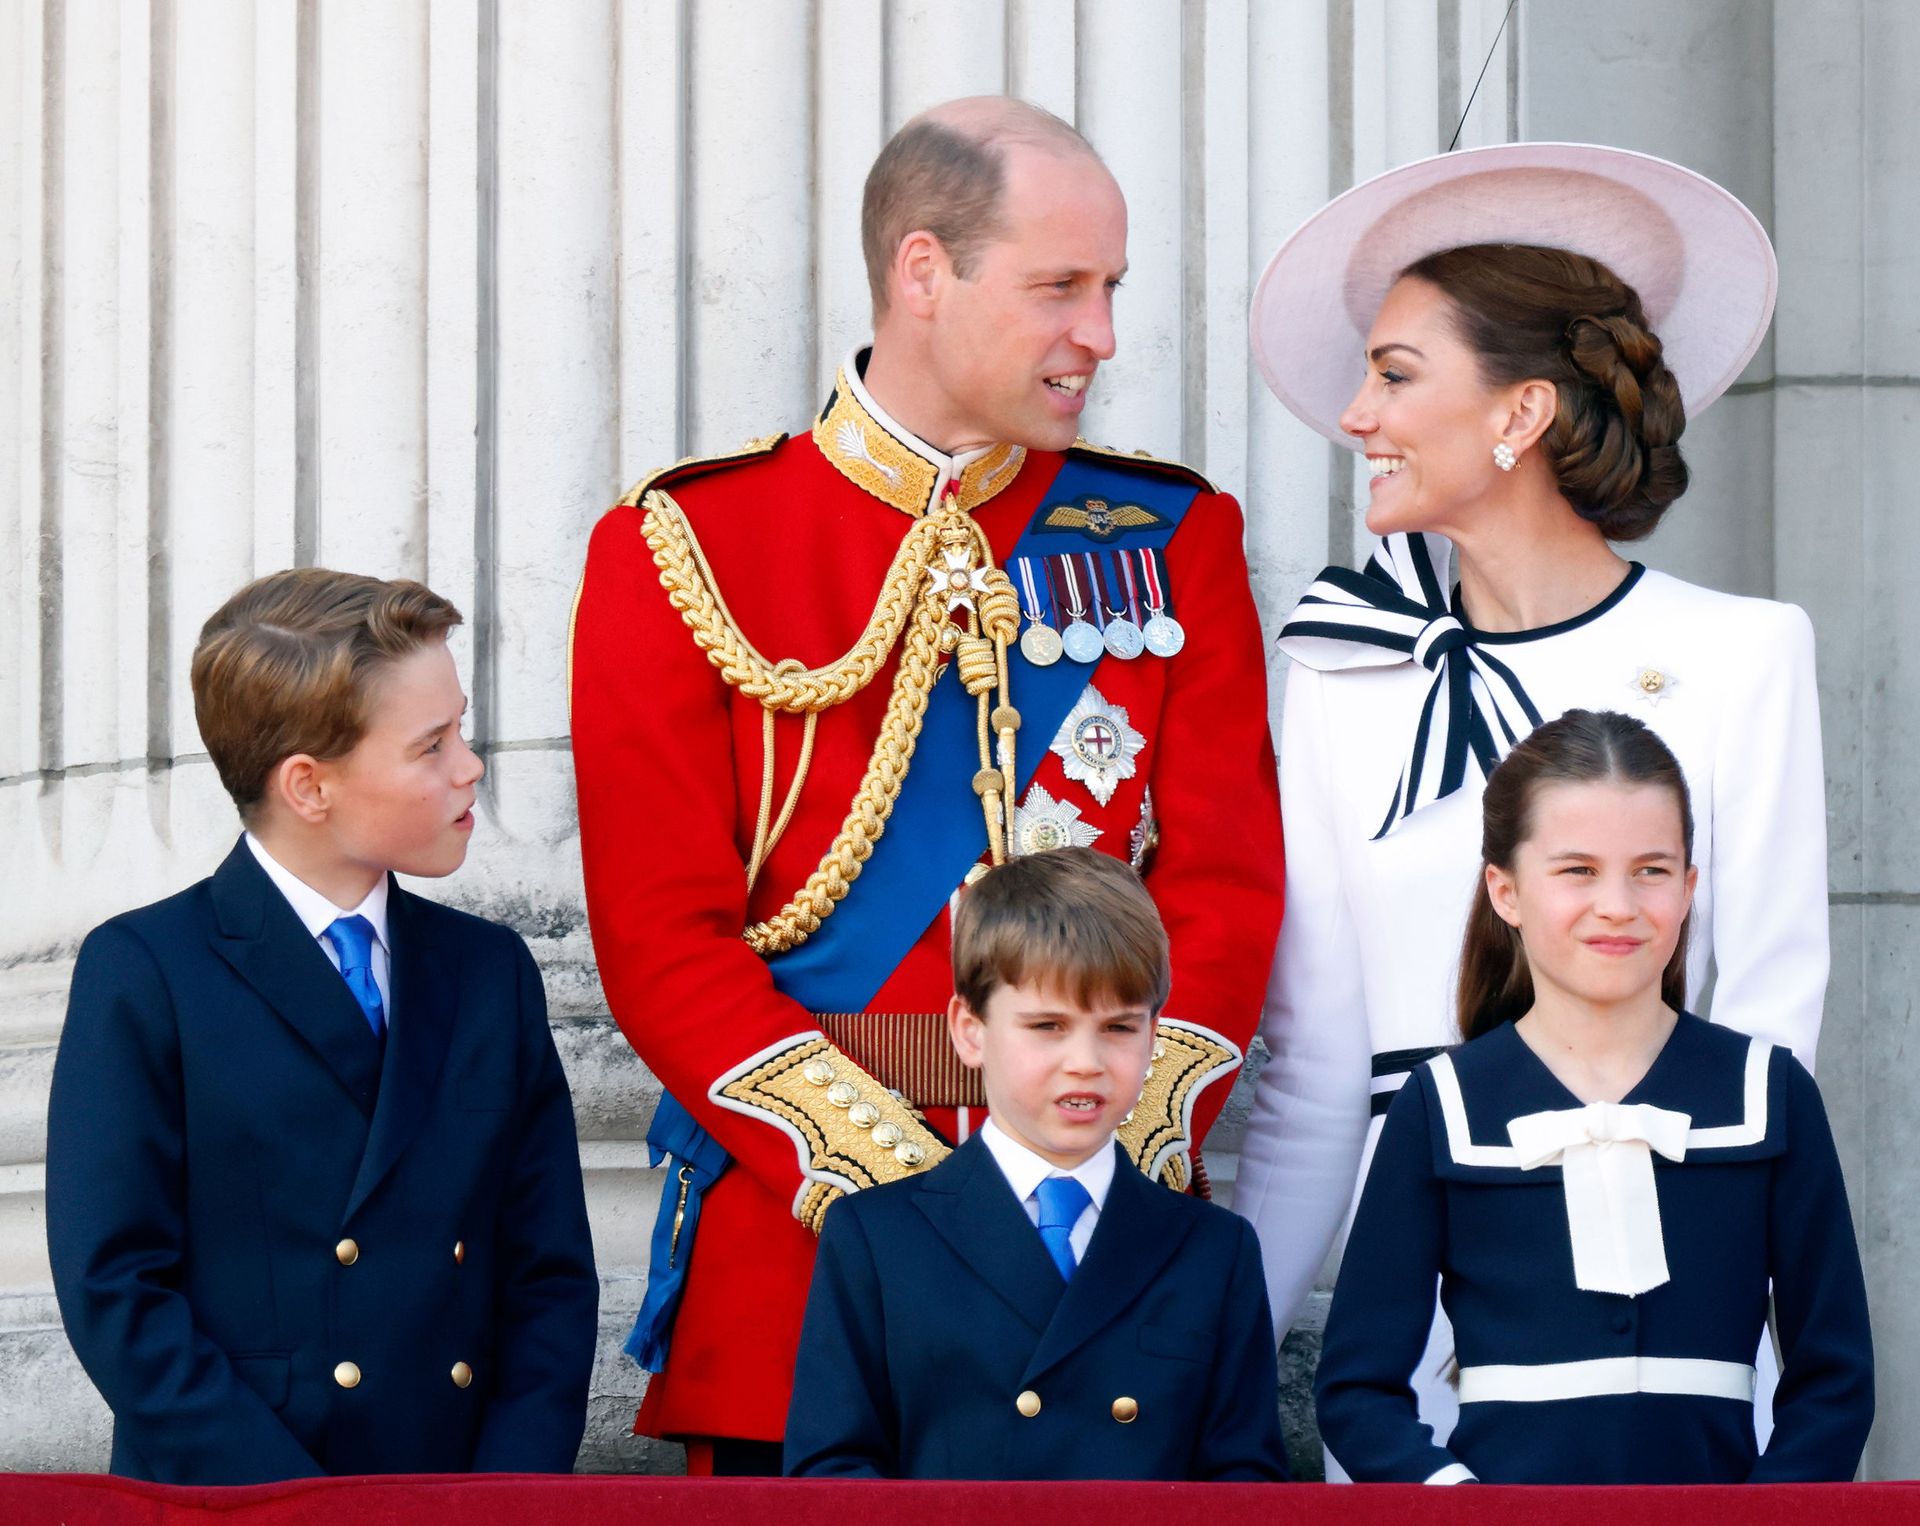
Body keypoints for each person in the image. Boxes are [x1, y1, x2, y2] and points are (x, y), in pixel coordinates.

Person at [570, 96, 1283, 1473]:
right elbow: (661, 939)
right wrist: (906, 1197)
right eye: (1060, 287)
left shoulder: (1171, 536)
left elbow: (1227, 890)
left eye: (1112, 287)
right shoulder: (685, 546)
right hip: (804, 1250)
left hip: (1101, 1255)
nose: (1101, 332)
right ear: (922, 272)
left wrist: (1085, 1158)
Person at [1231, 143, 1828, 1459]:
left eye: (1395, 375)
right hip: (1412, 1326)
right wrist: (1219, 1369)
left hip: (1667, 1307)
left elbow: (1768, 1047)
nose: (1356, 417)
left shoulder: (1745, 654)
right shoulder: (1339, 670)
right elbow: (1314, 1077)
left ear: (1523, 411)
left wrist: (1758, 1370)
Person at [45, 569, 599, 1484]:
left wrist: (507, 1497)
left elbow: (548, 1277)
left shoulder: (489, 971)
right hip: (238, 1493)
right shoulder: (147, 970)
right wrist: (294, 1508)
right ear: (308, 786)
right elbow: (117, 1290)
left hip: (460, 1494)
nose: (470, 766)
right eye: (431, 745)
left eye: (460, 729)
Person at [1315, 709, 1871, 1483]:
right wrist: (1458, 1504)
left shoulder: (1771, 1095)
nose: (1618, 904)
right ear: (1506, 890)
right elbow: (1356, 1390)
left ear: (1689, 887)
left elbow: (1835, 1382)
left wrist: (1762, 1514)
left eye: (1652, 870)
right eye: (1578, 870)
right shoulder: (1439, 1106)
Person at [783, 849, 1289, 1480]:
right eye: (1048, 1025)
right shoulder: (877, 1236)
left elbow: (1245, 1487)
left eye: (1119, 1028)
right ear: (970, 1031)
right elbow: (833, 1477)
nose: (1086, 1062)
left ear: (1155, 1032)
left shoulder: (1214, 1248)